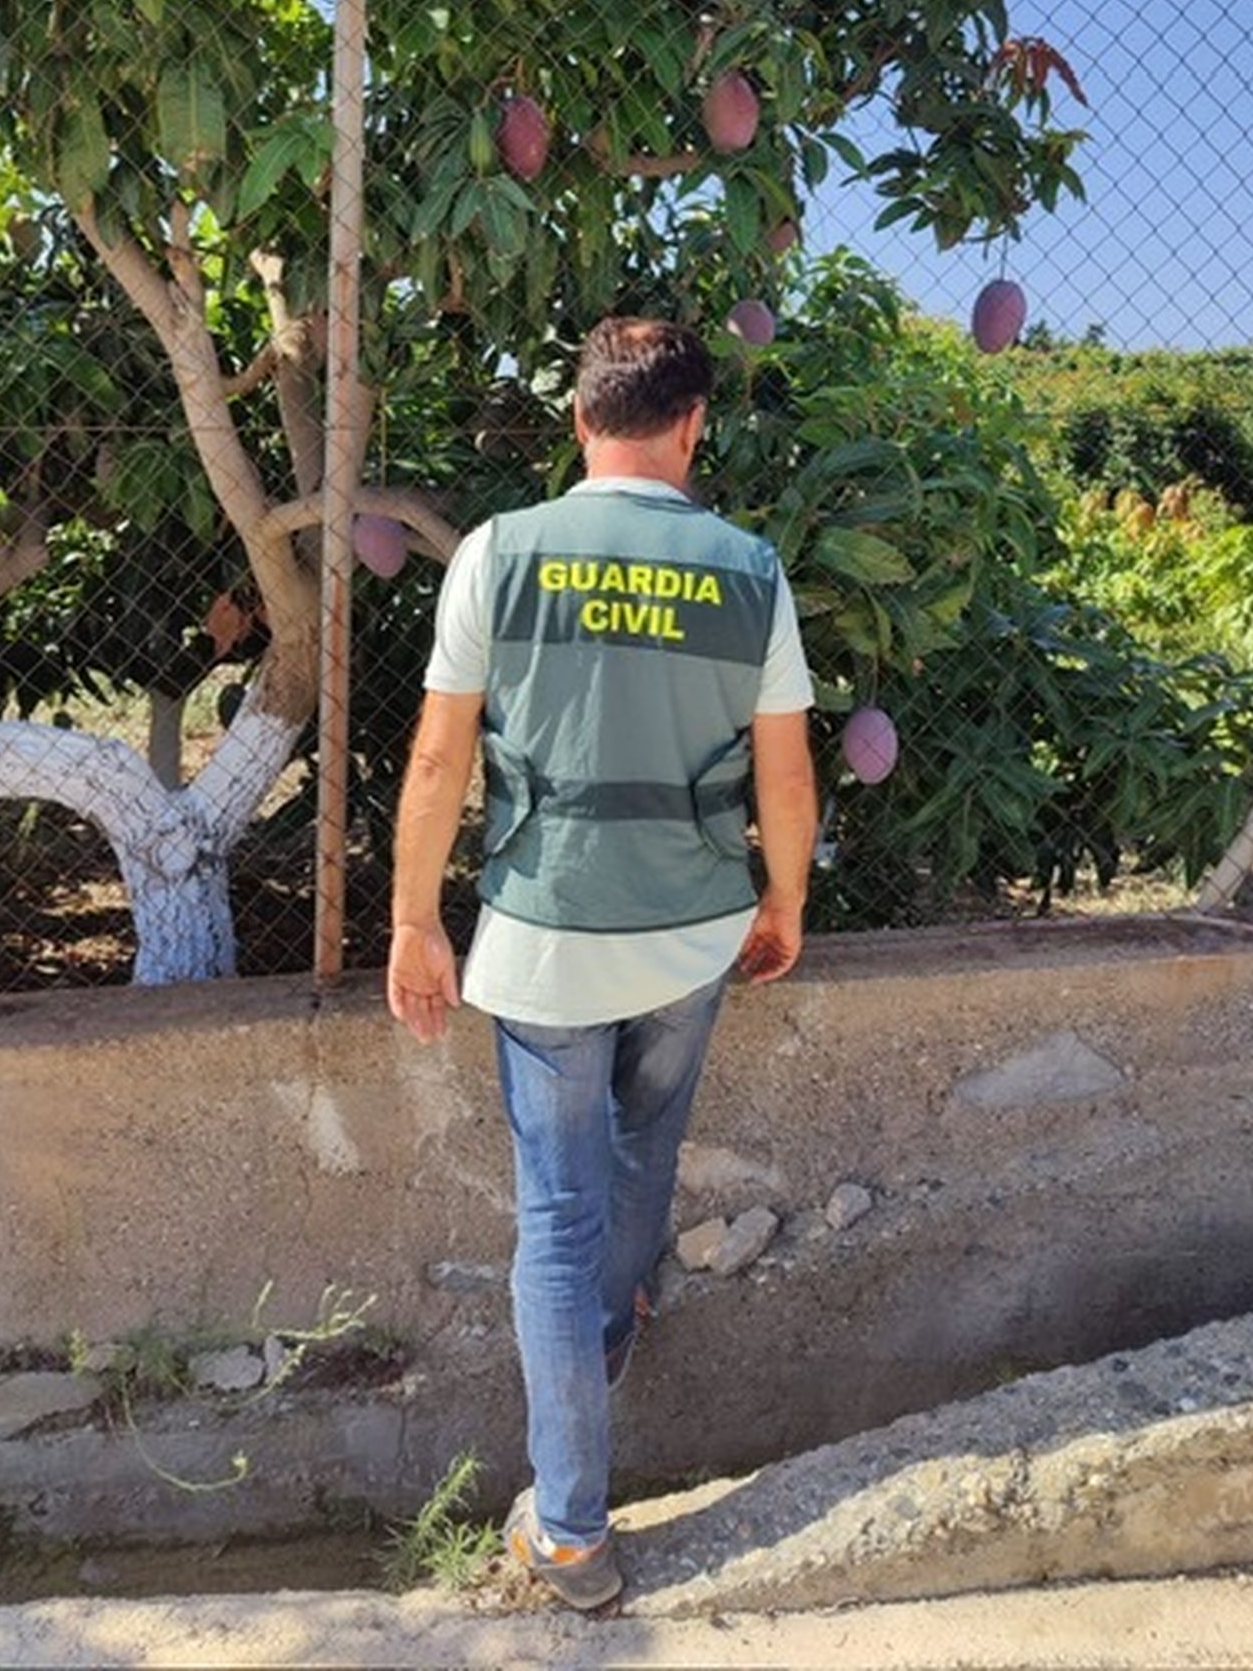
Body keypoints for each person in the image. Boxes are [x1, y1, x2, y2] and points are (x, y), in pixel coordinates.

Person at [387, 315, 818, 1611]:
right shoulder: (749, 568)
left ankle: (572, 1532)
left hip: (544, 942)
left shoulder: (500, 554)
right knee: (645, 1150)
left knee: (558, 1219)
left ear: (581, 422)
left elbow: (437, 760)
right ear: (692, 428)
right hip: (694, 932)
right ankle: (614, 1332)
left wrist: (415, 919)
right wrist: (783, 902)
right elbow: (786, 772)